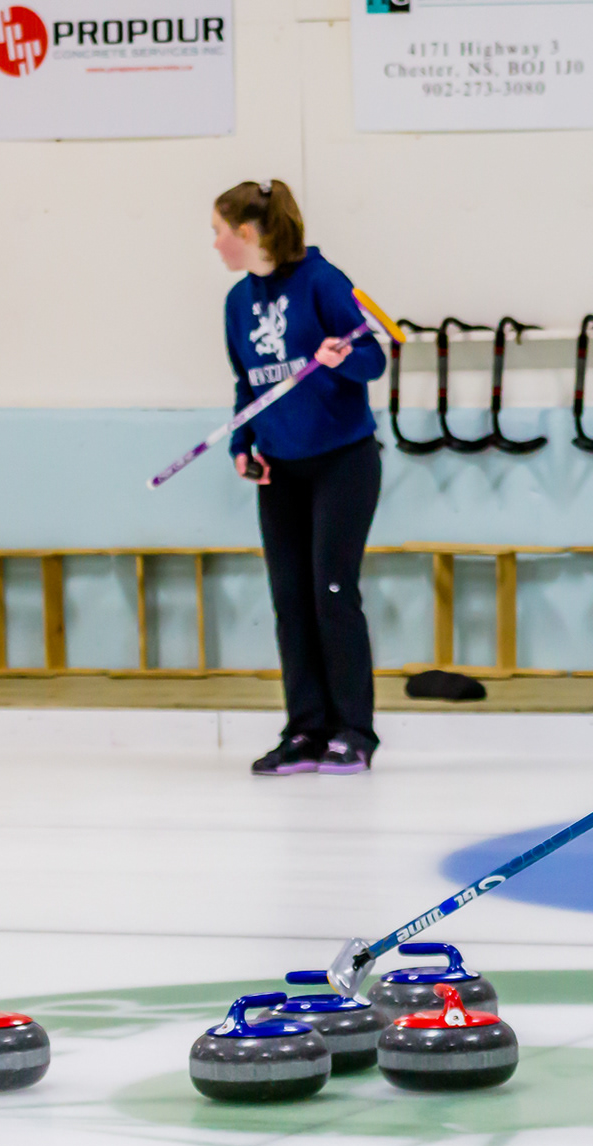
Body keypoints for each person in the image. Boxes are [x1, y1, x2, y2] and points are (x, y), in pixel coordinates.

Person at [212, 179, 387, 776]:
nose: (213, 244)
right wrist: (242, 442)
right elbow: (248, 385)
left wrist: (345, 358)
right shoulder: (238, 302)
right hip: (279, 466)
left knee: (332, 593)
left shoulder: (323, 281)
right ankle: (305, 729)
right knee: (290, 598)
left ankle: (352, 732)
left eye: (218, 231)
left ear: (247, 232)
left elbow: (374, 359)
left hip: (342, 460)